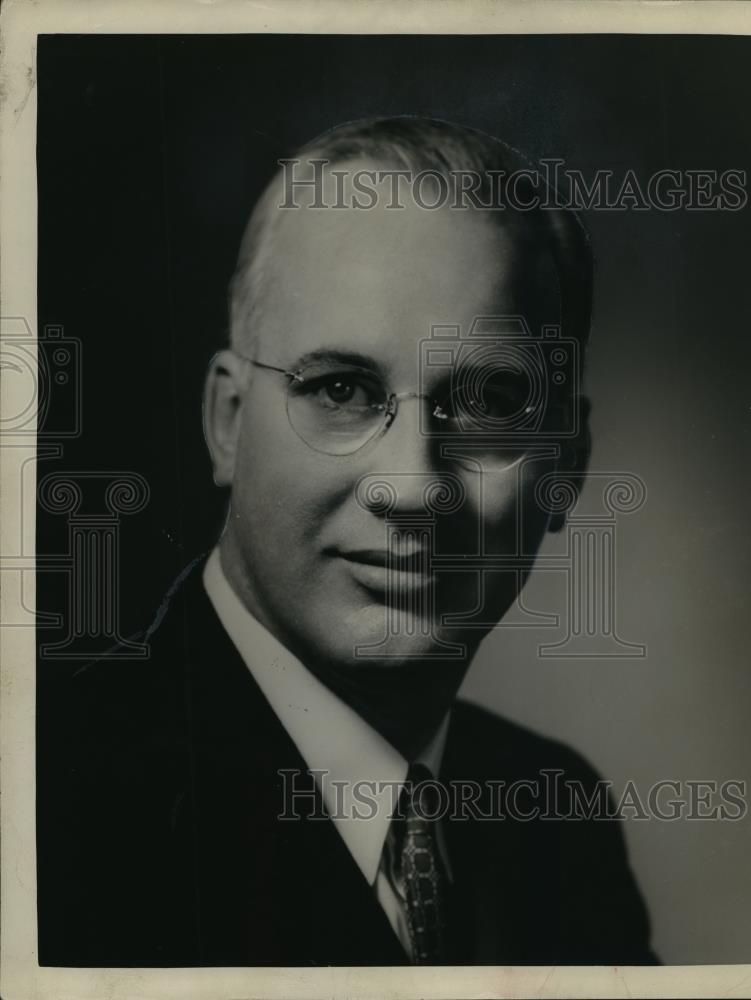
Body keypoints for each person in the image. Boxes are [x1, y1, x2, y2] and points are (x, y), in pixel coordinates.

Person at [37, 116, 658, 967]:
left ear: (569, 464)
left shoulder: (557, 819)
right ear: (227, 423)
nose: (411, 489)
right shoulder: (46, 802)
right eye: (341, 389)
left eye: (489, 402)